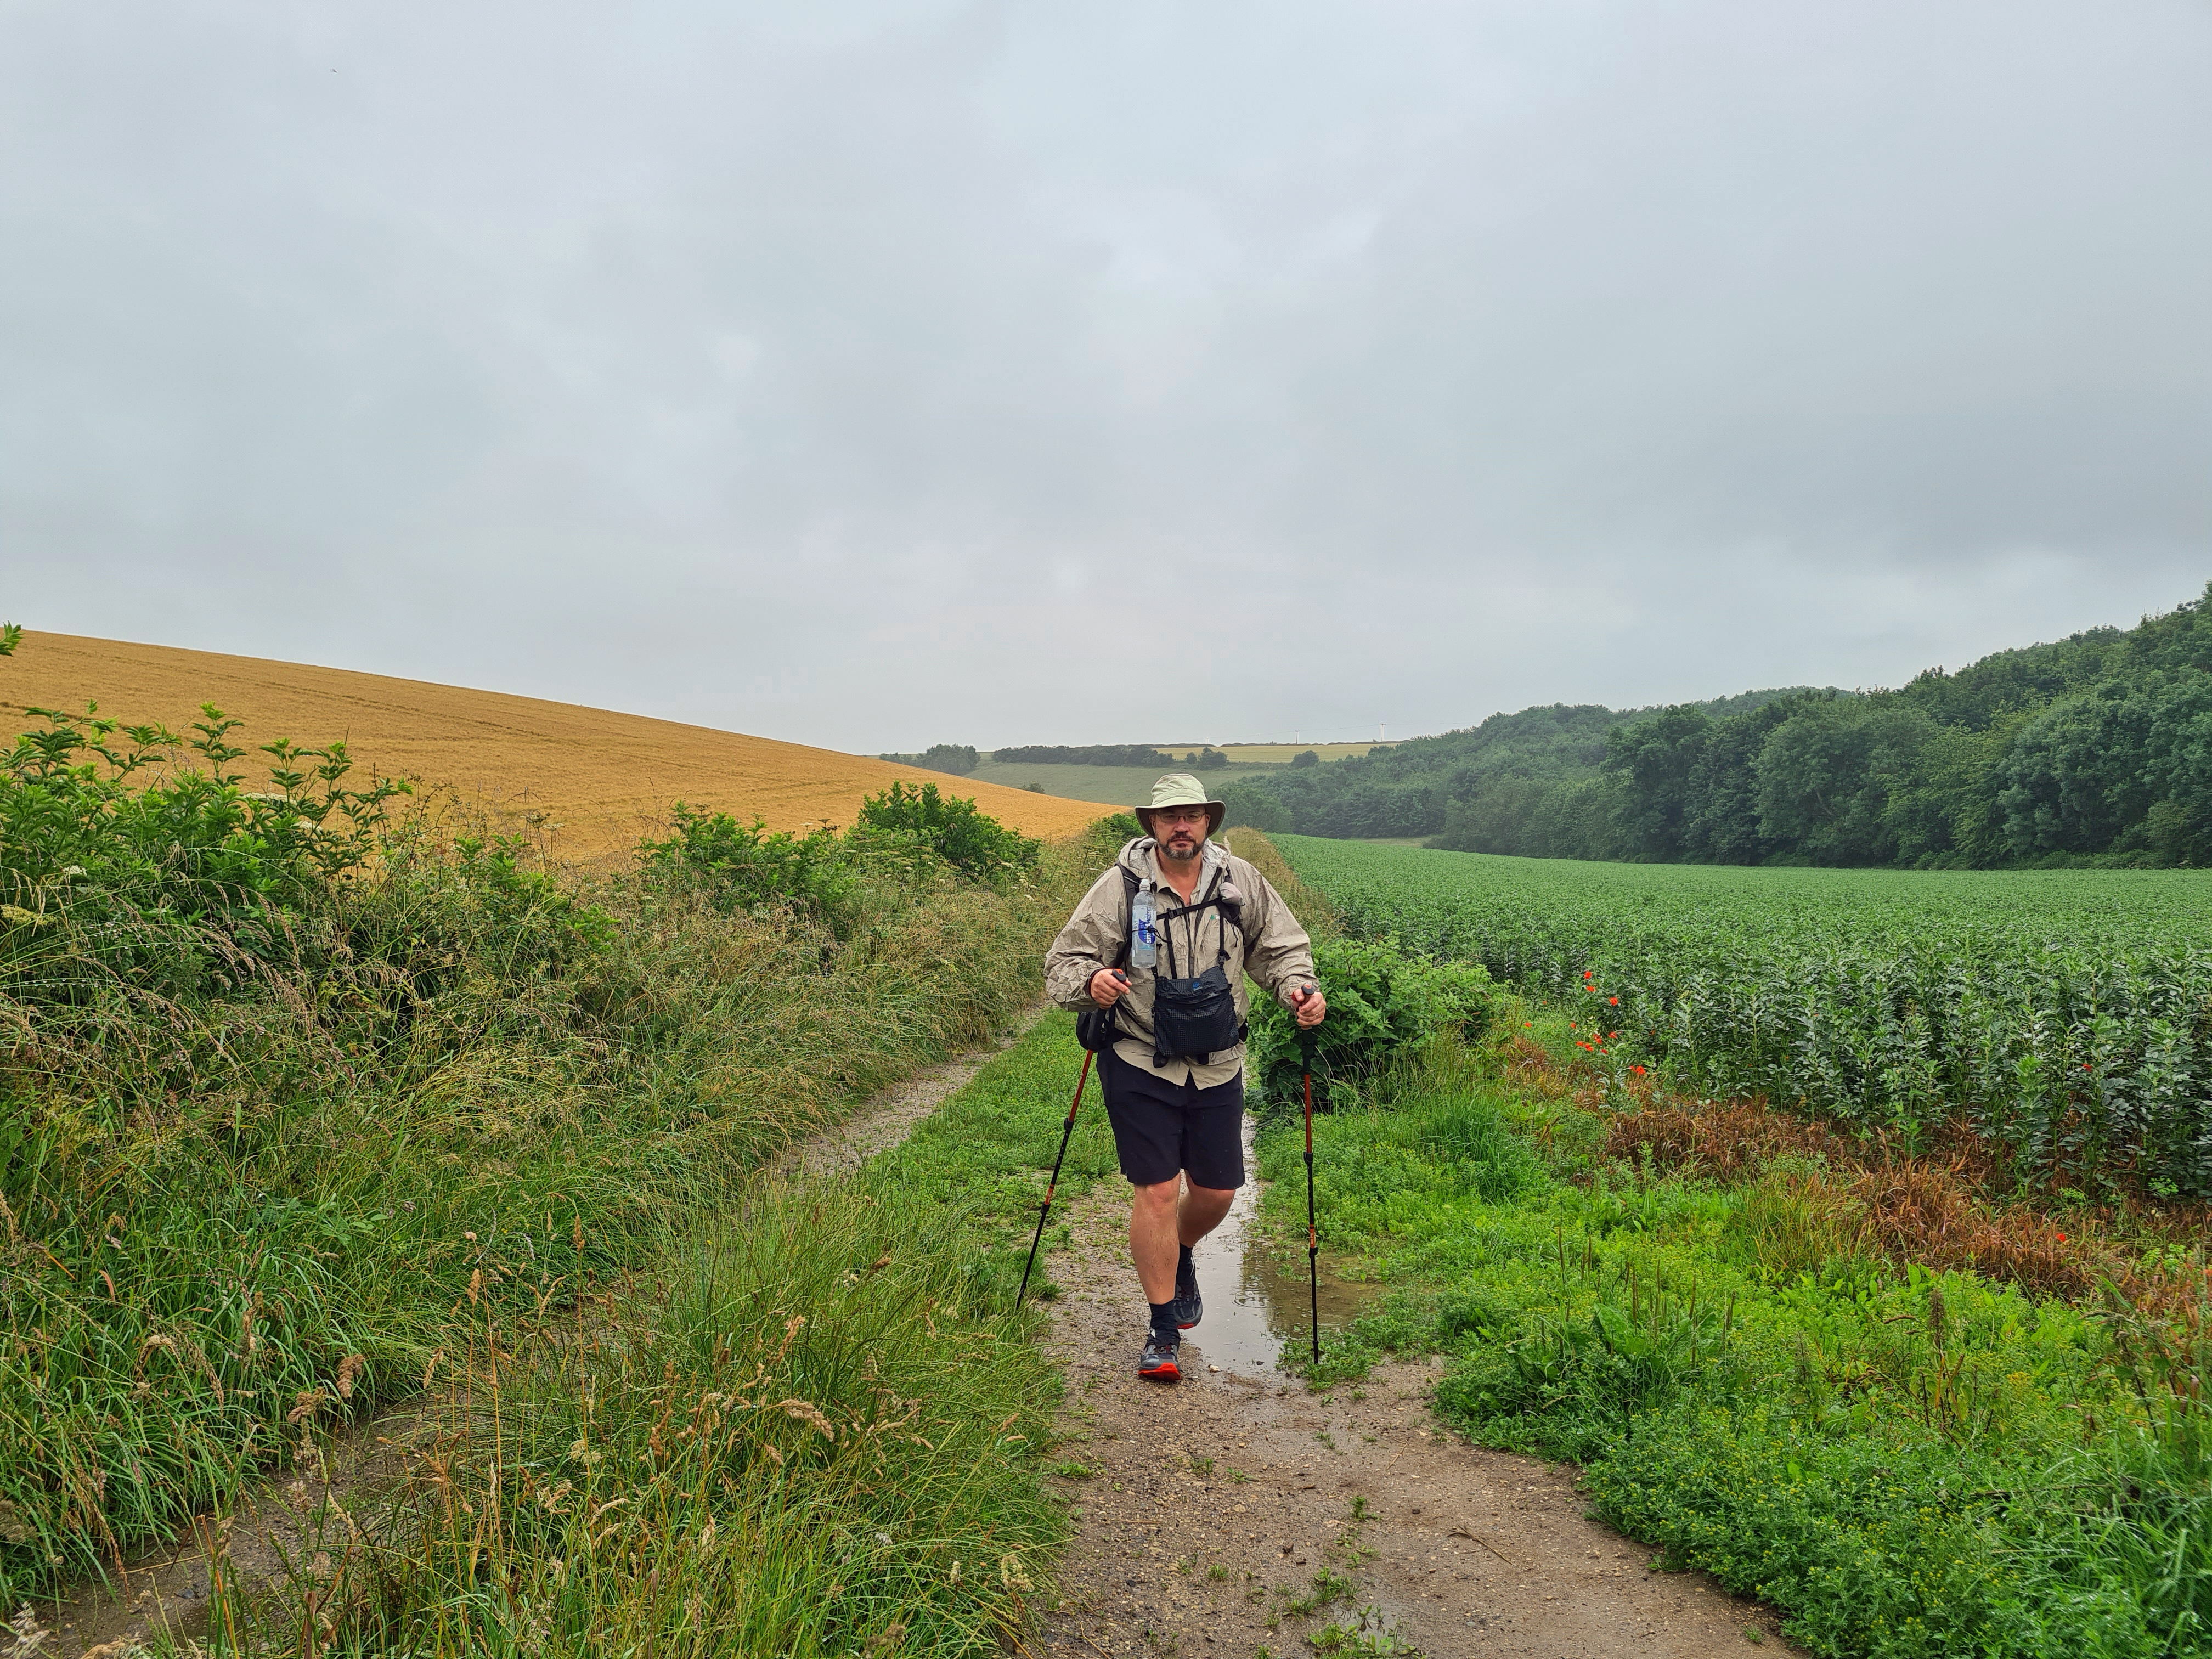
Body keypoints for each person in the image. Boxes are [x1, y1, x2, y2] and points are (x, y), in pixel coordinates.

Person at [1044, 773, 1326, 1382]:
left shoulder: (1239, 882)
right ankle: (1162, 1328)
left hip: (1218, 1061)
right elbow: (1065, 961)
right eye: (1170, 817)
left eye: (1193, 816)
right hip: (1140, 1056)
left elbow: (1280, 950)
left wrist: (1299, 989)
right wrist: (1090, 984)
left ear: (1208, 823)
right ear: (1151, 825)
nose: (1181, 827)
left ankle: (1183, 1252)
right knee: (1156, 1190)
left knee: (1219, 1191)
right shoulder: (1121, 885)